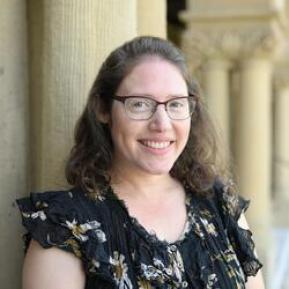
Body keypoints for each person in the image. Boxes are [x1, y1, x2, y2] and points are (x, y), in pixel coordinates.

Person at [17, 36, 265, 289]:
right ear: (103, 109)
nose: (162, 124)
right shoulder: (64, 227)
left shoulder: (220, 206)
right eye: (140, 104)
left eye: (176, 104)